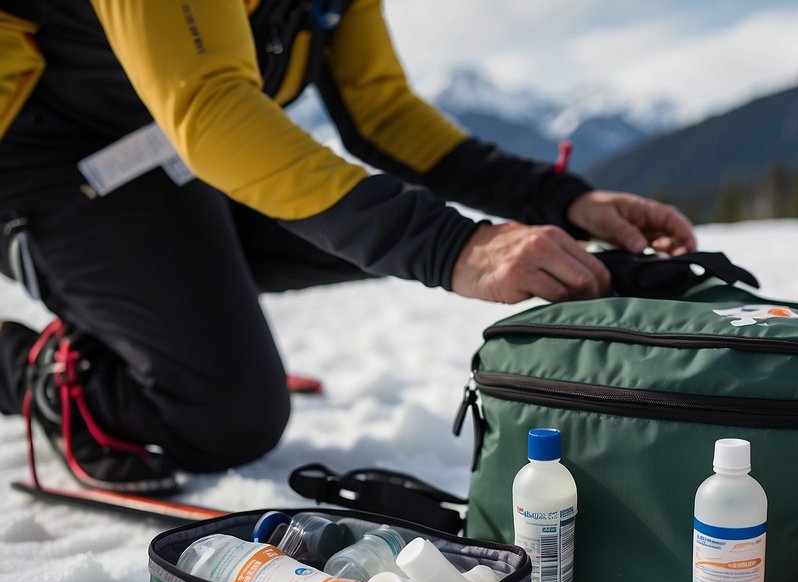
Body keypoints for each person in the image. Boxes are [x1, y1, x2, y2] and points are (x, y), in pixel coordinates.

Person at [0, 1, 696, 495]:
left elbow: (386, 116)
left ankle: (157, 315)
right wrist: (460, 248)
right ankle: (45, 374)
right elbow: (211, 109)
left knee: (359, 227)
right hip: (44, 165)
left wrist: (564, 203)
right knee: (227, 416)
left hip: (168, 160)